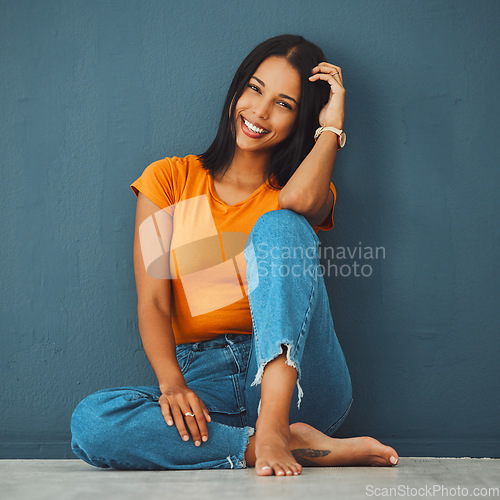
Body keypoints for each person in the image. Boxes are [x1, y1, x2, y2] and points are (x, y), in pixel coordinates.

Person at [70, 34, 399, 476]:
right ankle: (272, 443)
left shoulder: (303, 191)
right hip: (207, 383)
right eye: (255, 89)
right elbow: (152, 301)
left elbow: (297, 202)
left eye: (285, 104)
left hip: (303, 384)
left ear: (302, 118)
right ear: (237, 90)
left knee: (280, 225)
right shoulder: (169, 179)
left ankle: (277, 424)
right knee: (92, 422)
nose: (260, 113)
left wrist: (333, 125)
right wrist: (171, 384)